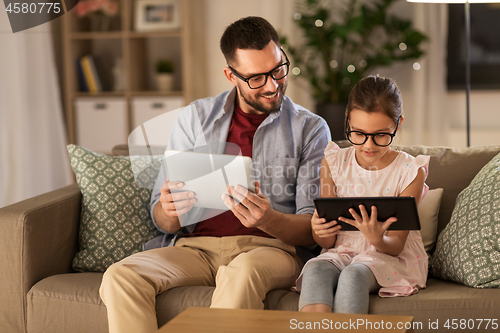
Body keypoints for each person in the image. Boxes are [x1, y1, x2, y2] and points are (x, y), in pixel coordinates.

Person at [99, 16, 330, 333]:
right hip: (196, 249)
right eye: (257, 78)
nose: (272, 85)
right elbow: (162, 219)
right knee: (120, 276)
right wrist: (169, 209)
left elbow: (312, 230)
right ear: (231, 75)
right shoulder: (195, 118)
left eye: (278, 70)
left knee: (242, 271)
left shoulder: (310, 128)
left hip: (269, 250)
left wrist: (267, 218)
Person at [295, 75, 429, 314]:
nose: (368, 145)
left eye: (380, 135)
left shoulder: (410, 171)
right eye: (358, 133)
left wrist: (376, 237)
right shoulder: (334, 162)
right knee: (316, 270)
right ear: (347, 122)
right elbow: (326, 242)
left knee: (353, 275)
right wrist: (319, 230)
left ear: (397, 125)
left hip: (388, 255)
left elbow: (396, 245)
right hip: (343, 251)